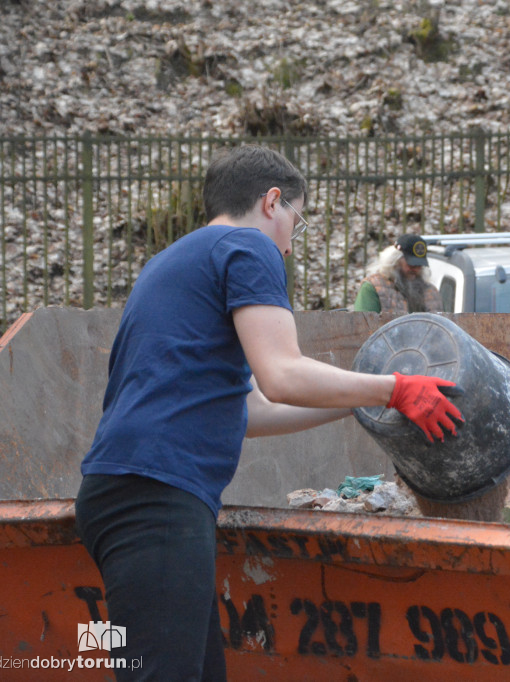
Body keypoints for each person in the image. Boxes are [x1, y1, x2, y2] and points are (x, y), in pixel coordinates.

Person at [74, 145, 464, 681]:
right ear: (272, 202)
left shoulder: (174, 260)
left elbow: (252, 408)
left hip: (131, 492)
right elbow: (281, 374)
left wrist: (360, 399)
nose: (287, 246)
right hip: (156, 496)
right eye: (295, 223)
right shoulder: (247, 247)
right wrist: (394, 388)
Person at [352, 233, 443, 314]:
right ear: (395, 261)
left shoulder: (431, 292)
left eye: (419, 266)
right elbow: (364, 326)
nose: (415, 270)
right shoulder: (373, 287)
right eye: (411, 265)